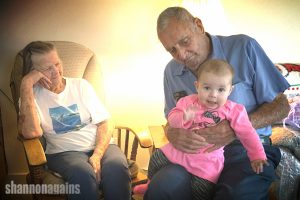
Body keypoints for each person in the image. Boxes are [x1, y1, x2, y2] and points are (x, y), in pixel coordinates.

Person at [144, 6, 291, 200]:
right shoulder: (171, 71)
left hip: (245, 149)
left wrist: (235, 128)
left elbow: (283, 106)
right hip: (194, 154)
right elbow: (171, 118)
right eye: (172, 50)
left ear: (199, 25)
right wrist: (171, 132)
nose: (181, 54)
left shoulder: (244, 47)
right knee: (161, 187)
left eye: (184, 41)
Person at [135, 59, 268, 199]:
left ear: (230, 90)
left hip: (206, 161)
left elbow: (247, 133)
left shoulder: (234, 110)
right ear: (197, 86)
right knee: (156, 158)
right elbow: (172, 119)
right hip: (179, 152)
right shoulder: (187, 102)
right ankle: (149, 185)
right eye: (207, 88)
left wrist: (257, 155)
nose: (213, 94)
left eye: (221, 89)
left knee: (202, 191)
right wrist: (183, 117)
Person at [18, 41, 131, 200]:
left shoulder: (80, 86)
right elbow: (31, 132)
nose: (56, 71)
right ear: (32, 71)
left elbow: (105, 122)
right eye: (47, 68)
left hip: (100, 145)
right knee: (82, 173)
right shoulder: (30, 97)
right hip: (63, 152)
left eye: (57, 64)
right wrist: (26, 83)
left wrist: (97, 155)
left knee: (117, 167)